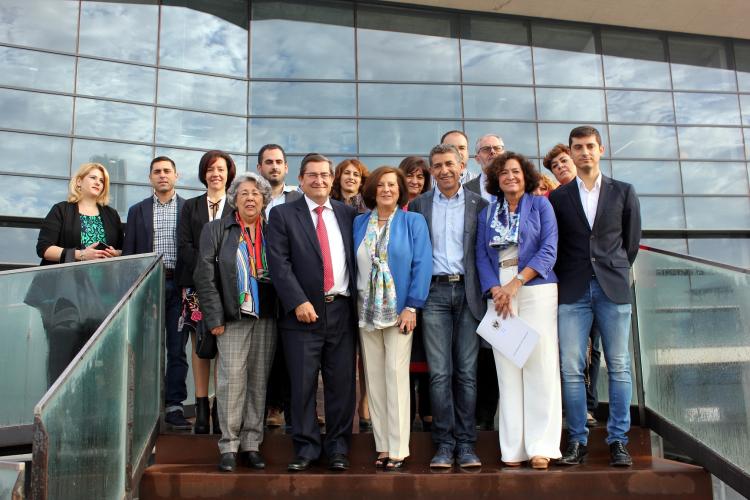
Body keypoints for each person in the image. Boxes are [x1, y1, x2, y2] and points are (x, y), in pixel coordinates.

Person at [550, 126, 641, 467]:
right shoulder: (559, 197)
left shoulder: (624, 191)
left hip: (612, 288)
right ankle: (577, 440)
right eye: (578, 147)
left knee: (618, 366)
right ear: (571, 153)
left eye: (590, 146)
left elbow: (630, 243)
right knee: (571, 368)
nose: (584, 152)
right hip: (572, 289)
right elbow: (555, 244)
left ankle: (618, 440)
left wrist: (614, 269)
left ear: (601, 149)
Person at [266, 153, 358, 472]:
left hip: (342, 311)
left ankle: (337, 448)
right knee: (302, 385)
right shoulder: (282, 215)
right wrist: (298, 301)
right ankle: (305, 447)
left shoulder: (349, 214)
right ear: (301, 179)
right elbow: (279, 264)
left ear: (332, 179)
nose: (319, 180)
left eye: (324, 175)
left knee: (341, 385)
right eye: (312, 175)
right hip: (301, 315)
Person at [475, 152, 561, 469]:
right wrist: (495, 288)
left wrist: (515, 284)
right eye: (504, 172)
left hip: (535, 287)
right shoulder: (487, 213)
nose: (511, 176)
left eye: (516, 171)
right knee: (508, 369)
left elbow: (549, 248)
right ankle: (512, 449)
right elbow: (481, 257)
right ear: (496, 180)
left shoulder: (540, 205)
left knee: (540, 365)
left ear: (525, 176)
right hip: (498, 291)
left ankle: (541, 446)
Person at [409, 144, 488, 469]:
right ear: (431, 170)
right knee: (440, 374)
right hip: (434, 295)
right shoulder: (418, 205)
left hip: (469, 294)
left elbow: (487, 252)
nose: (444, 170)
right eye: (437, 166)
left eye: (449, 164)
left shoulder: (479, 205)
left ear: (461, 165)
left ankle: (467, 445)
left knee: (467, 374)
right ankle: (443, 445)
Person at [193, 172, 277, 472]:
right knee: (231, 380)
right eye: (244, 193)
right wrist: (214, 317)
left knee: (258, 380)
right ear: (234, 199)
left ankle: (252, 443)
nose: (250, 198)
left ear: (265, 199)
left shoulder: (273, 230)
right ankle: (228, 445)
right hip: (232, 316)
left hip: (267, 315)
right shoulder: (216, 229)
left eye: (256, 193)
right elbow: (204, 275)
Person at [354, 166, 432, 469]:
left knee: (395, 376)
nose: (386, 189)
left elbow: (422, 264)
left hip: (400, 311)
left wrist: (412, 306)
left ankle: (399, 447)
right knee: (374, 378)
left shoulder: (414, 221)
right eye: (381, 185)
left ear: (400, 190)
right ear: (372, 190)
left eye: (392, 185)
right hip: (366, 310)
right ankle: (383, 445)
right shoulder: (360, 223)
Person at [33, 162, 123, 383]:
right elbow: (44, 248)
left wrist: (115, 253)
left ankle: (88, 410)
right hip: (65, 296)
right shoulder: (61, 210)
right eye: (93, 178)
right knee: (63, 356)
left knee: (97, 357)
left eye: (102, 180)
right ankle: (57, 410)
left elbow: (123, 248)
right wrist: (82, 255)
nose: (98, 183)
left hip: (103, 296)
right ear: (79, 181)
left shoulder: (111, 215)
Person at [122, 156, 189, 429]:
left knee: (177, 349)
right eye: (157, 172)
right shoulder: (137, 211)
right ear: (150, 177)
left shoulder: (189, 209)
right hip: (149, 285)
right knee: (148, 348)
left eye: (167, 171)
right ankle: (147, 404)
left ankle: (174, 405)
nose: (162, 175)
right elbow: (129, 254)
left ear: (176, 175)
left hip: (180, 286)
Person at [176, 150, 235, 434]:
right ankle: (200, 409)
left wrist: (220, 268)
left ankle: (220, 408)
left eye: (221, 169)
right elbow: (184, 245)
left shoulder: (236, 206)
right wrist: (207, 267)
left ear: (228, 173)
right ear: (204, 174)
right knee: (200, 347)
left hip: (229, 288)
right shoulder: (190, 207)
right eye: (210, 169)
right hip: (197, 287)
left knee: (225, 347)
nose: (215, 174)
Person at [544, 143, 600, 426]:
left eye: (564, 161)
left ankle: (590, 405)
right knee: (572, 350)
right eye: (555, 166)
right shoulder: (555, 199)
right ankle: (574, 410)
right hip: (569, 284)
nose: (561, 167)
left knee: (595, 349)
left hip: (602, 283)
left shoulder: (602, 193)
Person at [256, 143, 301, 429]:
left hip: (291, 282)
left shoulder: (298, 198)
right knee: (265, 348)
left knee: (289, 349)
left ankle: (289, 407)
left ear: (286, 168)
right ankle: (270, 406)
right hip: (259, 284)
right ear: (260, 167)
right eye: (268, 162)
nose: (274, 166)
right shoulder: (249, 197)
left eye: (279, 162)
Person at [463, 133, 506, 431]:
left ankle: (505, 416)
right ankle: (481, 417)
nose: (492, 153)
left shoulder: (516, 186)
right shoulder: (464, 190)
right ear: (476, 157)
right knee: (479, 351)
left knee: (507, 349)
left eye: (497, 148)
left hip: (513, 283)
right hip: (473, 283)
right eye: (486, 150)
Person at [398, 156, 432, 431]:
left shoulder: (427, 208)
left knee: (428, 355)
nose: (415, 181)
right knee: (404, 361)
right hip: (397, 296)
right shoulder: (393, 209)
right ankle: (407, 417)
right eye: (410, 175)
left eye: (420, 177)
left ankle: (430, 413)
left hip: (425, 294)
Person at [464, 134, 506, 203]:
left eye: (497, 148)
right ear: (477, 159)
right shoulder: (466, 189)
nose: (492, 151)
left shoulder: (518, 183)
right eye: (486, 149)